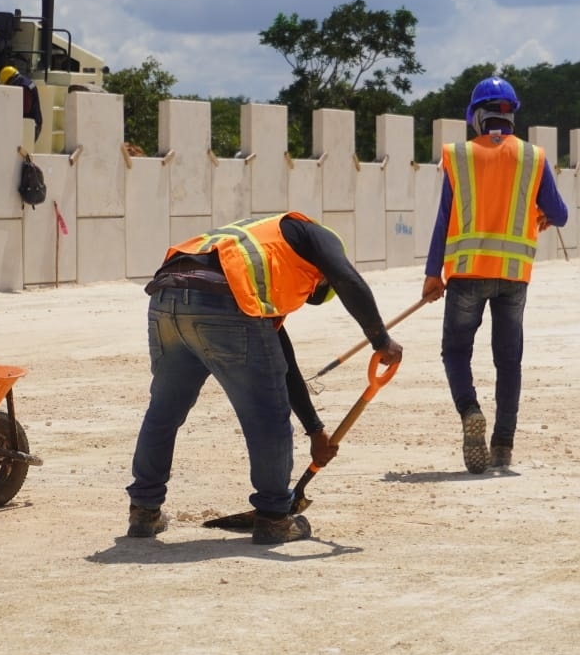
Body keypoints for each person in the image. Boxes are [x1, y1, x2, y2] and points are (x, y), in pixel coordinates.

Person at [125, 212, 403, 545]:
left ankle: (144, 512)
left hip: (166, 296)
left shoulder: (262, 247)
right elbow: (348, 279)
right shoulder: (316, 235)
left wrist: (315, 429)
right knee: (266, 416)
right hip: (224, 300)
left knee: (164, 411)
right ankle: (274, 517)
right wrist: (380, 340)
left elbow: (283, 362)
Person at [422, 76, 568, 474]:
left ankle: (470, 410)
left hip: (466, 274)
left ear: (476, 116)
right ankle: (503, 446)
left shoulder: (458, 155)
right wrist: (540, 217)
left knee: (455, 351)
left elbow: (443, 220)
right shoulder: (533, 157)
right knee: (509, 361)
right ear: (511, 116)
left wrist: (433, 273)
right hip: (514, 277)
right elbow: (561, 214)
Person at [0, 65, 43, 145]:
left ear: (10, 80)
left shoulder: (24, 86)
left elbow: (25, 109)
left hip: (30, 126)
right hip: (33, 124)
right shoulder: (25, 82)